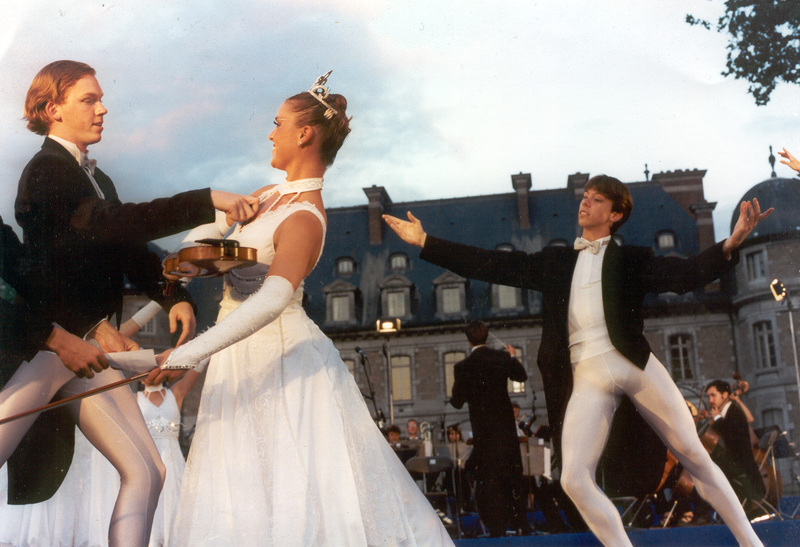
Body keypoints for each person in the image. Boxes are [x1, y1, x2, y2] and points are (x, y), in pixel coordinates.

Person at [383, 175, 771, 547]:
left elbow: (684, 274)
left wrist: (729, 244)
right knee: (573, 478)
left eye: (596, 198)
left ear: (616, 213)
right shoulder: (555, 262)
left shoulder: (633, 258)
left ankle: (751, 543)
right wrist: (426, 242)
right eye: (585, 196)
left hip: (633, 364)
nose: (585, 202)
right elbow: (492, 265)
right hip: (586, 374)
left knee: (694, 455)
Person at [149, 72, 453, 545]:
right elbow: (196, 243)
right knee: (241, 493)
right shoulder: (265, 196)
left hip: (282, 360)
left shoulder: (305, 215)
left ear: (304, 134)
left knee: (296, 494)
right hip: (237, 360)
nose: (270, 132)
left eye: (277, 123)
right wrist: (206, 243)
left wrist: (190, 354)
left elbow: (271, 299)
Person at [1, 60, 257, 546]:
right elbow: (119, 225)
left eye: (101, 98)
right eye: (89, 100)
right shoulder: (45, 174)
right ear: (51, 109)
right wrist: (208, 198)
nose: (103, 109)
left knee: (149, 471)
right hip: (52, 346)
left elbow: (126, 249)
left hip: (86, 352)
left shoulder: (95, 177)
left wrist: (171, 293)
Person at [447, 320, 530, 537]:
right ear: (487, 336)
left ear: (468, 339)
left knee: (491, 480)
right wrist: (512, 356)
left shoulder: (462, 367)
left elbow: (456, 402)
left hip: (483, 433)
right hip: (505, 431)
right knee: (513, 476)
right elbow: (521, 376)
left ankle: (496, 528)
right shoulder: (502, 358)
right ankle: (522, 524)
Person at [706, 380, 766, 504]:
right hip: (733, 464)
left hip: (740, 466)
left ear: (725, 395)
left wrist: (717, 418)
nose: (710, 400)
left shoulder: (735, 413)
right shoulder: (724, 415)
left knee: (708, 473)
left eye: (713, 395)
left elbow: (732, 439)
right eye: (708, 396)